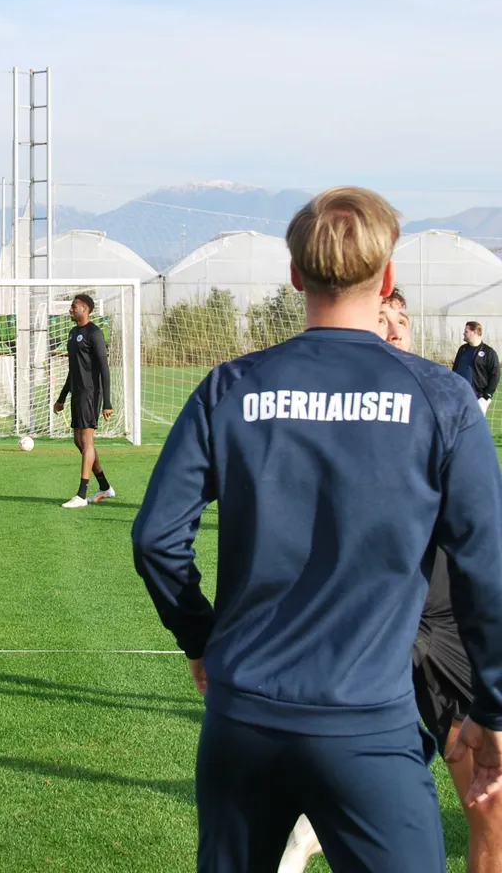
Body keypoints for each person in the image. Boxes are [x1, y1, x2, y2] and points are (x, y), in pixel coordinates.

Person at [132, 187, 502, 873]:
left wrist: (199, 638)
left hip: (242, 722)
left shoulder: (230, 388)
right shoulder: (441, 401)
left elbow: (156, 538)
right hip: (368, 728)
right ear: (387, 278)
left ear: (296, 275)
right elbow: (486, 569)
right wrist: (495, 706)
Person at [281, 287, 502, 873]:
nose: (397, 328)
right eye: (383, 319)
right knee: (489, 806)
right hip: (421, 627)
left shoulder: (435, 401)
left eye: (402, 318)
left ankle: (313, 825)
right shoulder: (395, 414)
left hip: (400, 627)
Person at [52, 293, 115, 509]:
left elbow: (104, 370)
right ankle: (105, 486)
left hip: (91, 393)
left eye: (74, 306)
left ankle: (81, 495)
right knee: (78, 442)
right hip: (77, 393)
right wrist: (61, 398)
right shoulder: (72, 333)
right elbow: (73, 370)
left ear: (85, 309)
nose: (70, 309)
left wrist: (107, 403)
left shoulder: (94, 333)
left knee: (87, 441)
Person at [453, 322, 500, 417]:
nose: (463, 333)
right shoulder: (463, 349)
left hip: (479, 397)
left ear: (474, 332)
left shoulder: (489, 353)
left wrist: (486, 396)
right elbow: (455, 369)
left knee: (475, 427)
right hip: (460, 396)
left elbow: (495, 375)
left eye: (466, 331)